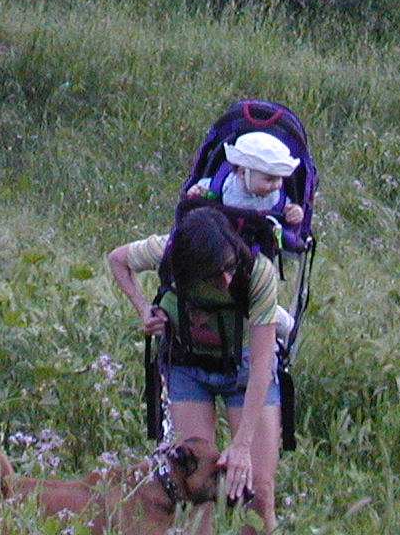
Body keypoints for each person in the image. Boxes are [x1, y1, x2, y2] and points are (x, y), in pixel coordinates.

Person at [108, 207, 284, 534]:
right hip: (187, 368)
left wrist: (242, 445)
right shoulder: (168, 252)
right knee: (196, 490)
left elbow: (263, 363)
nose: (226, 280)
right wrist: (144, 309)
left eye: (229, 267)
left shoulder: (257, 271)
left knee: (258, 490)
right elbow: (118, 259)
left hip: (245, 368)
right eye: (214, 274)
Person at [184, 130, 305, 228]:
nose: (276, 185)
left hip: (259, 241)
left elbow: (288, 209)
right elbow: (199, 190)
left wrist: (295, 212)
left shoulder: (277, 198)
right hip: (221, 236)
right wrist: (195, 192)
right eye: (269, 180)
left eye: (279, 179)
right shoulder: (221, 185)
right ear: (243, 173)